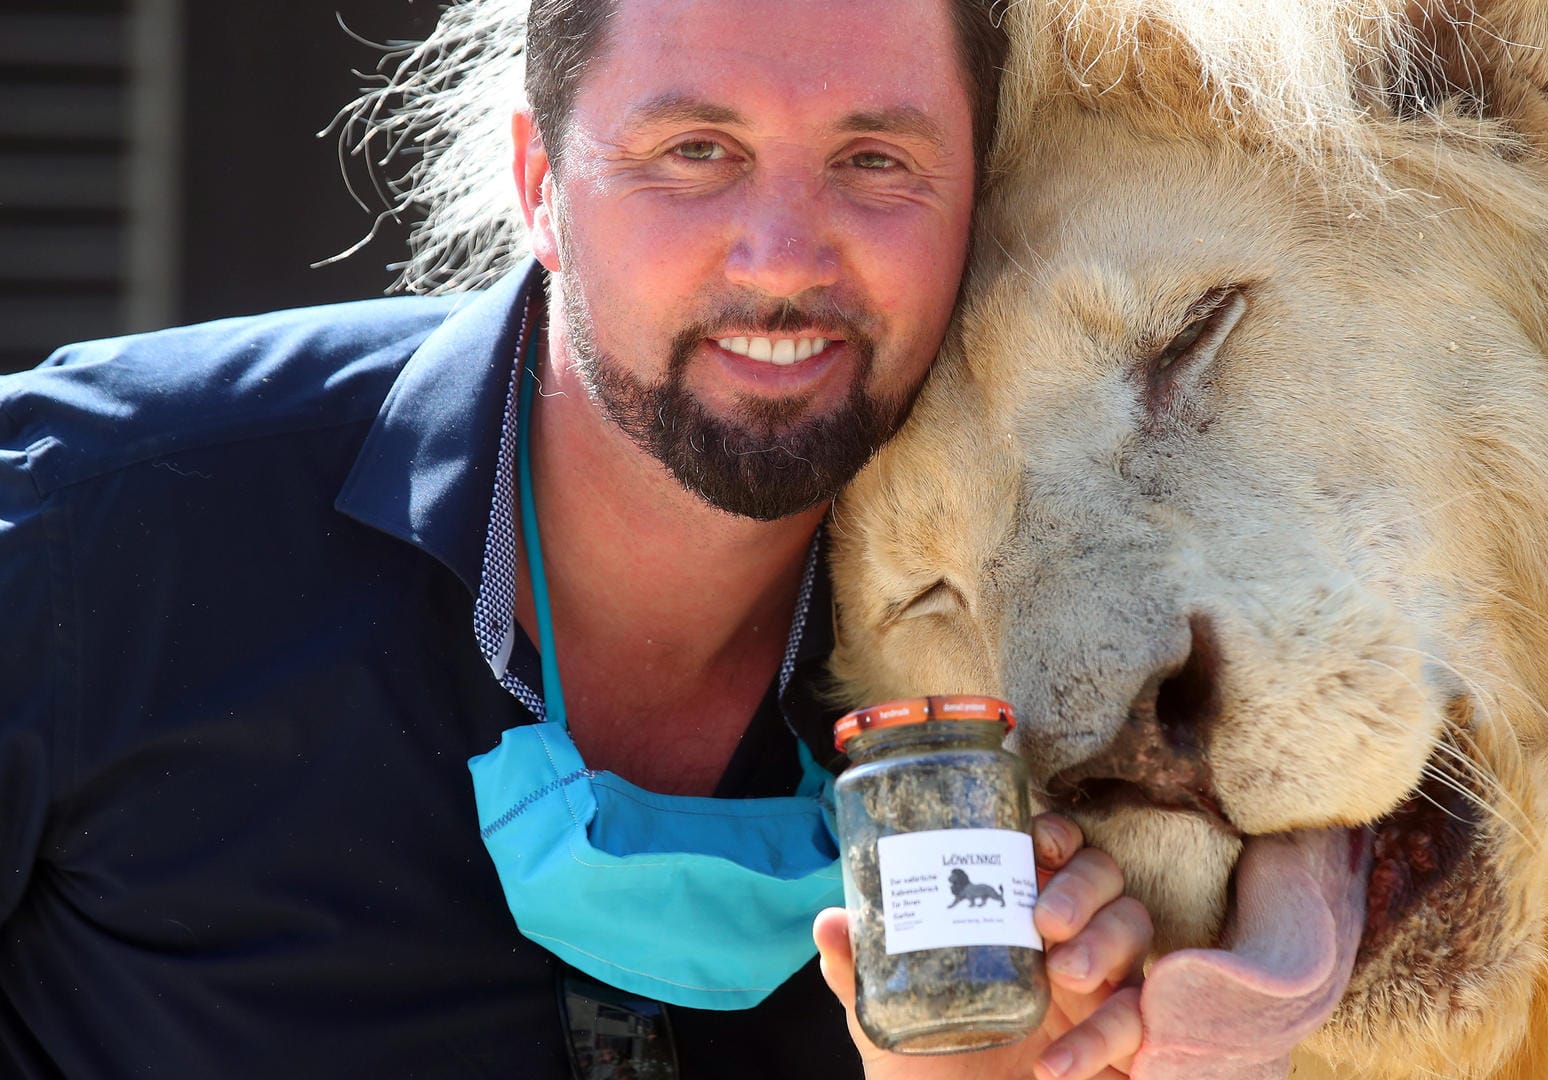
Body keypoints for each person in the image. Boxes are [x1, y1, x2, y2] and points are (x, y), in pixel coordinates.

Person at [0, 1, 1151, 1077]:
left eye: (876, 162)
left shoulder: (1060, 655)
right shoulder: (84, 529)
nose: (786, 256)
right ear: (539, 181)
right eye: (697, 150)